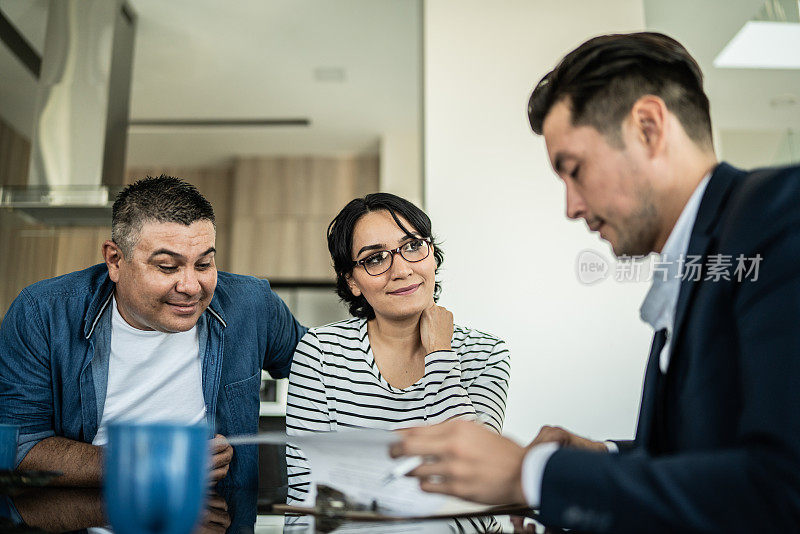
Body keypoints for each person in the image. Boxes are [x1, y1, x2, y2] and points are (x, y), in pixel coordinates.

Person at [392, 32, 800, 533]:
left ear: (648, 128)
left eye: (576, 170)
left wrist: (534, 475)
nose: (571, 208)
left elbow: (783, 486)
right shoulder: (693, 259)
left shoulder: (782, 216)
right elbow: (706, 452)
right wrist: (602, 455)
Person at [0, 175, 307, 489]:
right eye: (167, 266)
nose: (190, 286)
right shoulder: (41, 313)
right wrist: (157, 460)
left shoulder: (252, 304)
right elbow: (19, 447)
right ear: (115, 260)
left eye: (204, 264)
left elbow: (324, 365)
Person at [285, 193, 510, 499]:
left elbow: (480, 474)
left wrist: (441, 355)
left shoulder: (486, 354)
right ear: (352, 280)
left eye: (413, 246)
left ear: (433, 254)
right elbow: (306, 494)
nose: (402, 270)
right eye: (375, 258)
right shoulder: (321, 352)